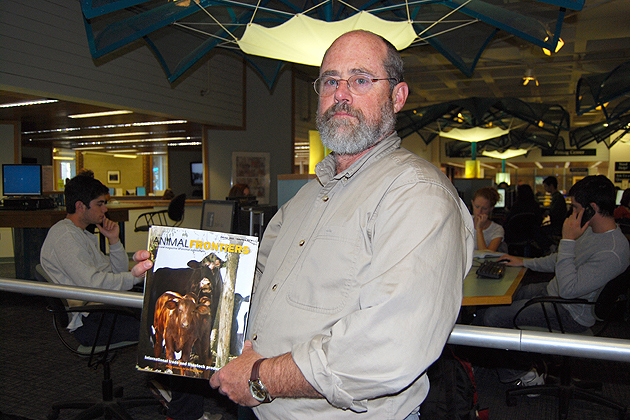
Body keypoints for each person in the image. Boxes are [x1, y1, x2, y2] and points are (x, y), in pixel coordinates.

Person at [202, 30, 475, 419]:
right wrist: (176, 276)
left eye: (361, 80)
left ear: (397, 97)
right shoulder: (306, 198)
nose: (341, 94)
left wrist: (263, 378)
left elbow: (390, 346)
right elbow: (254, 283)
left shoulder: (417, 194)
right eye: (331, 81)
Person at [40, 175, 213, 420]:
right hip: (92, 320)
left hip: (102, 307)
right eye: (99, 203)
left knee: (171, 314)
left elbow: (112, 273)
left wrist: (113, 241)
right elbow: (93, 284)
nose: (105, 208)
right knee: (174, 329)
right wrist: (133, 278)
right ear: (80, 206)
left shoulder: (80, 234)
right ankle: (185, 413)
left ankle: (165, 384)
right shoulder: (64, 238)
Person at [482, 175, 630, 386]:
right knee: (504, 296)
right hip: (557, 292)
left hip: (571, 311)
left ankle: (522, 376)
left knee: (494, 317)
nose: (572, 212)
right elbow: (560, 261)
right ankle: (489, 359)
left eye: (575, 207)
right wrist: (524, 261)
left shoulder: (612, 251)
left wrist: (568, 239)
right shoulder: (592, 230)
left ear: (592, 208)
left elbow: (570, 290)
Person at [471, 187, 504, 251]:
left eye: (484, 208)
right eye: (477, 207)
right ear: (472, 203)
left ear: (491, 208)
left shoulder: (497, 230)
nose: (479, 211)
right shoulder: (463, 222)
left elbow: (485, 255)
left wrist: (479, 229)